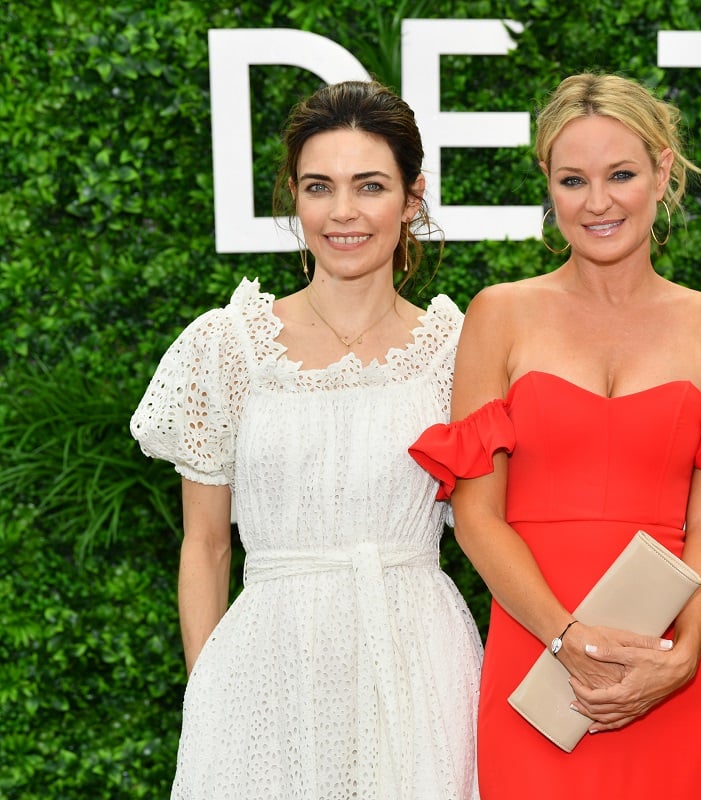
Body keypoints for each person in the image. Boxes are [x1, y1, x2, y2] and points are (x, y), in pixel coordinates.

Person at [409, 73, 701, 799]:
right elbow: (476, 514)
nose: (598, 202)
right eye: (573, 180)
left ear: (662, 171)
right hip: (538, 659)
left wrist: (686, 652)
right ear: (549, 184)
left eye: (621, 174)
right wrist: (567, 638)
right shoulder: (500, 314)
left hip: (669, 668)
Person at [130, 80, 482, 800]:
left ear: (412, 198)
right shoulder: (226, 345)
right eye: (320, 186)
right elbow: (205, 545)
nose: (343, 212)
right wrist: (211, 693)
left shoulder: (459, 349)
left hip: (421, 660)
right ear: (293, 194)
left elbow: (497, 525)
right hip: (267, 667)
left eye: (370, 185)